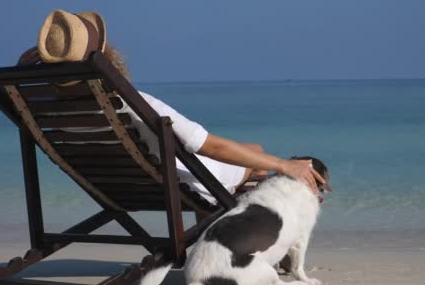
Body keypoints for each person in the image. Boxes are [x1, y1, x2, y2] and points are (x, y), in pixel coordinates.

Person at [30, 10, 326, 203]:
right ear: (105, 58)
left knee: (253, 152)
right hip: (180, 186)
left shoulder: (42, 106)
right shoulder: (130, 103)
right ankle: (282, 192)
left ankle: (266, 191)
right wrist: (284, 164)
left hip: (115, 189)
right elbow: (210, 147)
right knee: (257, 155)